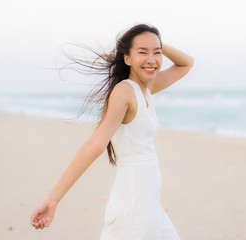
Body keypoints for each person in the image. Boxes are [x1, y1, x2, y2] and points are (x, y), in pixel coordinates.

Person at [30, 23, 194, 239]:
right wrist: (54, 198)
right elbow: (96, 143)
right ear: (127, 58)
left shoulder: (146, 87)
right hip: (135, 199)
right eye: (142, 52)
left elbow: (186, 64)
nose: (152, 59)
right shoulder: (124, 92)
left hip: (148, 197)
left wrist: (156, 44)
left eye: (156, 52)